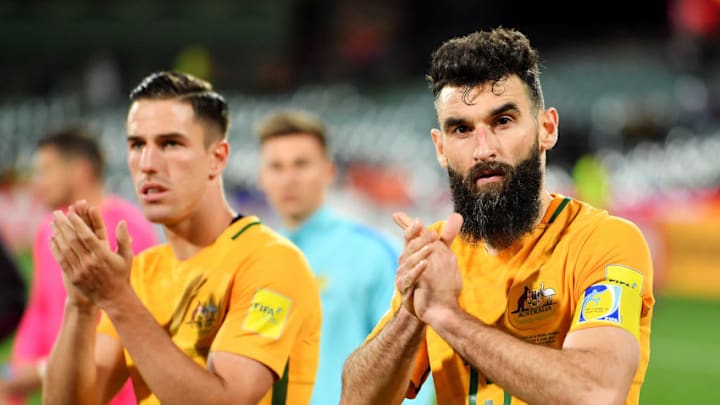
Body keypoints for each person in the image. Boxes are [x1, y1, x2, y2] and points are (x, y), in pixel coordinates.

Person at [341, 27, 654, 405]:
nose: (483, 149)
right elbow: (357, 399)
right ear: (440, 148)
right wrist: (411, 311)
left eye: (503, 121)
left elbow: (595, 392)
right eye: (461, 129)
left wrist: (447, 316)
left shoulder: (602, 241)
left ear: (546, 128)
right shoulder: (440, 253)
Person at [42, 71, 321, 405]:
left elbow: (228, 401)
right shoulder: (141, 275)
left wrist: (117, 298)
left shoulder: (272, 263)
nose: (147, 163)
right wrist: (81, 305)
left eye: (170, 143)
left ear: (217, 158)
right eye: (136, 144)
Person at [256, 110, 433, 405]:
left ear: (328, 171)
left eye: (301, 164)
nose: (289, 178)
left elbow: (410, 361)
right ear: (262, 178)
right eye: (276, 166)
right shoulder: (257, 261)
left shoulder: (373, 253)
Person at [5, 128, 159, 405]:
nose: (38, 182)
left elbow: (138, 321)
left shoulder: (130, 230)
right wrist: (18, 371)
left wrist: (42, 369)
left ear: (79, 171)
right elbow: (40, 309)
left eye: (46, 170)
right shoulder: (48, 230)